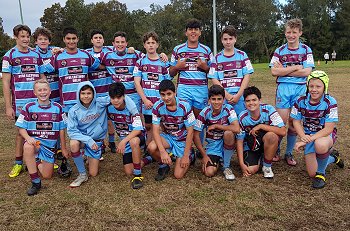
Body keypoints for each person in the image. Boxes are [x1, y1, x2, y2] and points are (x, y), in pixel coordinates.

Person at [269, 18, 314, 166]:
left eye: (294, 32)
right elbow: (274, 71)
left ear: (300, 33)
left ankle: (288, 153)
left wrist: (284, 71)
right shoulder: (279, 51)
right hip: (283, 89)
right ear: (285, 32)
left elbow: (307, 71)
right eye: (288, 32)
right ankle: (276, 150)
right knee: (280, 122)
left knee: (294, 123)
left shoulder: (306, 50)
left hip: (300, 89)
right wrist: (295, 67)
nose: (291, 35)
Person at [2, 24, 45, 178]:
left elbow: (42, 78)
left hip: (37, 101)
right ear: (15, 37)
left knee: (39, 130)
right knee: (21, 134)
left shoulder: (36, 55)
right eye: (22, 36)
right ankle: (18, 163)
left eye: (27, 36)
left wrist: (46, 95)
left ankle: (40, 160)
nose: (26, 39)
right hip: (20, 103)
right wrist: (8, 106)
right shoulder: (9, 56)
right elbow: (6, 82)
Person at [291, 70, 344, 189]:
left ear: (325, 87)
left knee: (320, 145)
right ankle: (333, 158)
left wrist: (305, 141)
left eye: (318, 86)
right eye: (311, 86)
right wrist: (303, 135)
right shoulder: (300, 100)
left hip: (325, 135)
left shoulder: (330, 102)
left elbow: (328, 128)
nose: (314, 89)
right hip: (309, 135)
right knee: (311, 173)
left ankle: (321, 175)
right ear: (307, 86)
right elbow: (296, 121)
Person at [15, 79, 69, 195]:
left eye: (45, 90)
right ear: (35, 92)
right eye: (39, 90)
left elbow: (61, 130)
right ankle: (35, 182)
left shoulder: (58, 108)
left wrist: (63, 148)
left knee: (47, 175)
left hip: (49, 147)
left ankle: (36, 161)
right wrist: (28, 138)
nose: (43, 92)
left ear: (50, 91)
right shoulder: (28, 107)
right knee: (28, 147)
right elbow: (21, 127)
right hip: (36, 143)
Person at [148, 80, 196, 181]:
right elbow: (155, 131)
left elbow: (190, 132)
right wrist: (162, 152)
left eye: (169, 94)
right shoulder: (157, 106)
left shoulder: (185, 106)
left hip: (182, 139)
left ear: (174, 93)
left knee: (178, 175)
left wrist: (186, 155)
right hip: (169, 137)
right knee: (151, 147)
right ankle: (164, 165)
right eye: (163, 95)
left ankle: (191, 154)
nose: (166, 98)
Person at [45, 27, 100, 113]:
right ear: (64, 39)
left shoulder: (86, 55)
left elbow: (101, 66)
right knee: (69, 126)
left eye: (74, 38)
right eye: (68, 39)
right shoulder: (58, 56)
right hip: (66, 101)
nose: (71, 41)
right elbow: (42, 69)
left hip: (84, 100)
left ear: (78, 39)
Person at [67, 81, 110, 187]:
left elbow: (118, 96)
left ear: (94, 93)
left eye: (89, 93)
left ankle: (89, 156)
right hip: (83, 141)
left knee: (93, 173)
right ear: (78, 94)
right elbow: (71, 131)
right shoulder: (74, 110)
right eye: (83, 93)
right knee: (73, 143)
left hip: (96, 141)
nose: (86, 96)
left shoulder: (100, 102)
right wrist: (88, 140)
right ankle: (82, 174)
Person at [236, 86, 286, 178]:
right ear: (244, 103)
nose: (251, 103)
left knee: (271, 136)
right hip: (251, 146)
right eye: (248, 101)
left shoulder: (269, 109)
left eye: (254, 100)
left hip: (267, 141)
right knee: (250, 171)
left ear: (260, 100)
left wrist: (261, 126)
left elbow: (282, 131)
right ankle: (260, 157)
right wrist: (241, 164)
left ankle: (267, 166)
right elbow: (239, 140)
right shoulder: (242, 117)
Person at [193, 85, 240, 180]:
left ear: (223, 100)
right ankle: (218, 160)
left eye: (219, 99)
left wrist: (217, 126)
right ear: (209, 100)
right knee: (209, 172)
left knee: (228, 133)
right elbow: (196, 135)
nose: (216, 102)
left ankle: (226, 166)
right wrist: (204, 155)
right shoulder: (204, 112)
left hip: (227, 141)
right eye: (213, 99)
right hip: (213, 145)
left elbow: (236, 128)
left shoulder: (229, 108)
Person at [134, 31, 172, 146]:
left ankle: (167, 146)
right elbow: (137, 83)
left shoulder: (163, 62)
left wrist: (165, 99)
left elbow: (168, 82)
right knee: (149, 126)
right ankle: (148, 147)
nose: (150, 45)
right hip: (147, 102)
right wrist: (144, 100)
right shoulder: (140, 62)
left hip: (161, 102)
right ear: (144, 45)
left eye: (153, 42)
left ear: (157, 45)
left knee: (164, 126)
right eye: (148, 43)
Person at [169, 18, 213, 119]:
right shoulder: (178, 50)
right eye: (190, 29)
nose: (193, 31)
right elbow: (170, 73)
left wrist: (205, 67)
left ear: (200, 32)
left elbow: (214, 73)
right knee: (184, 120)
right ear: (186, 32)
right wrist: (177, 67)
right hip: (184, 90)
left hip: (201, 90)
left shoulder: (207, 50)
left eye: (196, 29)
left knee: (199, 121)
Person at [107, 82, 146, 189]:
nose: (115, 100)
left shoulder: (130, 106)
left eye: (118, 97)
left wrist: (123, 142)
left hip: (138, 137)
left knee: (133, 141)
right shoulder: (108, 107)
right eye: (113, 97)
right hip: (125, 139)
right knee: (129, 171)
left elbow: (138, 129)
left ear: (124, 96)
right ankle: (148, 159)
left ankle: (138, 176)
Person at [209, 25, 253, 116]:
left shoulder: (242, 55)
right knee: (225, 124)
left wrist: (239, 95)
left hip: (240, 97)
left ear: (235, 39)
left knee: (241, 124)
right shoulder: (216, 58)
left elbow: (247, 75)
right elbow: (213, 78)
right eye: (225, 39)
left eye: (230, 38)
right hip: (224, 98)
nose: (228, 42)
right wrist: (226, 94)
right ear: (221, 40)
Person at [86, 29, 116, 155]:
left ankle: (112, 142)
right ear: (92, 40)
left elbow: (125, 50)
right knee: (98, 120)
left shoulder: (110, 51)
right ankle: (101, 143)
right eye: (95, 37)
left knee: (110, 119)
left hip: (109, 91)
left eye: (100, 37)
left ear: (103, 40)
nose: (98, 39)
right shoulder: (86, 53)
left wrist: (131, 48)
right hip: (96, 93)